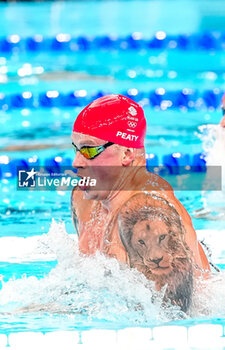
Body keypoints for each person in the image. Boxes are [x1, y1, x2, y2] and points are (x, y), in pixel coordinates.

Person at [70, 94, 211, 311]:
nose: (76, 162)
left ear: (126, 154)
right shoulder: (85, 198)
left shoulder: (149, 216)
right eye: (76, 149)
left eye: (89, 150)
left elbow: (173, 318)